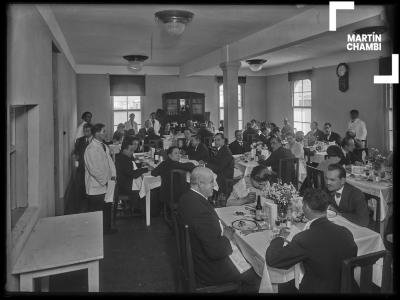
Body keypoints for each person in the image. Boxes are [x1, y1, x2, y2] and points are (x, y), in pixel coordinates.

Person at [178, 167, 261, 292]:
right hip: (208, 269)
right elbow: (216, 251)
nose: (215, 185)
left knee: (244, 251)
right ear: (200, 183)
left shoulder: (186, 198)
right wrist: (227, 236)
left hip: (197, 257)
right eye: (211, 182)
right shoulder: (200, 211)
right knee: (257, 274)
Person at [265, 188, 357, 293]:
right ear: (327, 207)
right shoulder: (346, 232)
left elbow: (273, 260)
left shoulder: (304, 238)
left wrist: (279, 238)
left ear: (307, 207)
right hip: (346, 288)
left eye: (303, 205)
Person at [84, 123, 117, 234]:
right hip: (97, 186)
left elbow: (109, 162)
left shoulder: (103, 145)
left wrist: (113, 176)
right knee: (97, 212)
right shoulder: (91, 149)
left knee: (106, 208)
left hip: (107, 183)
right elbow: (94, 170)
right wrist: (105, 181)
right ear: (97, 133)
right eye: (103, 131)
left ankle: (106, 230)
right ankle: (97, 234)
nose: (106, 133)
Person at [115, 136, 149, 214]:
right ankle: (141, 208)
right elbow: (133, 174)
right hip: (126, 186)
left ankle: (137, 206)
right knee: (148, 186)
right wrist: (146, 169)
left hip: (124, 182)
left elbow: (130, 170)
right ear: (124, 149)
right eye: (130, 150)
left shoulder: (123, 157)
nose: (132, 152)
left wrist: (140, 168)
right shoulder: (124, 159)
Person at [72, 123, 93, 213]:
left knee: (91, 189)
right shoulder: (79, 141)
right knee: (80, 188)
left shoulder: (96, 141)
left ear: (92, 131)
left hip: (92, 169)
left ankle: (91, 207)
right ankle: (81, 208)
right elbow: (76, 153)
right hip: (81, 168)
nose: (85, 132)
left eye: (88, 131)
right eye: (84, 131)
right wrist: (76, 160)